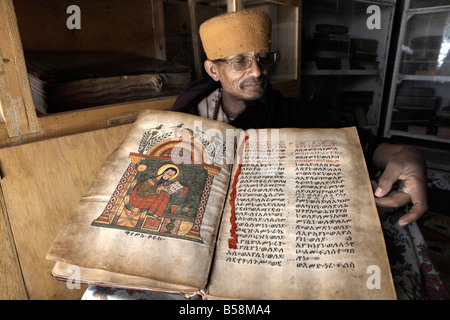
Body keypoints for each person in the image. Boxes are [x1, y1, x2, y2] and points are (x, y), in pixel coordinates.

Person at [169, 9, 448, 299]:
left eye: (263, 58)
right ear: (213, 70)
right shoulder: (187, 115)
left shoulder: (288, 113)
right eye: (240, 61)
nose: (256, 71)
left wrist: (407, 153)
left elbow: (352, 142)